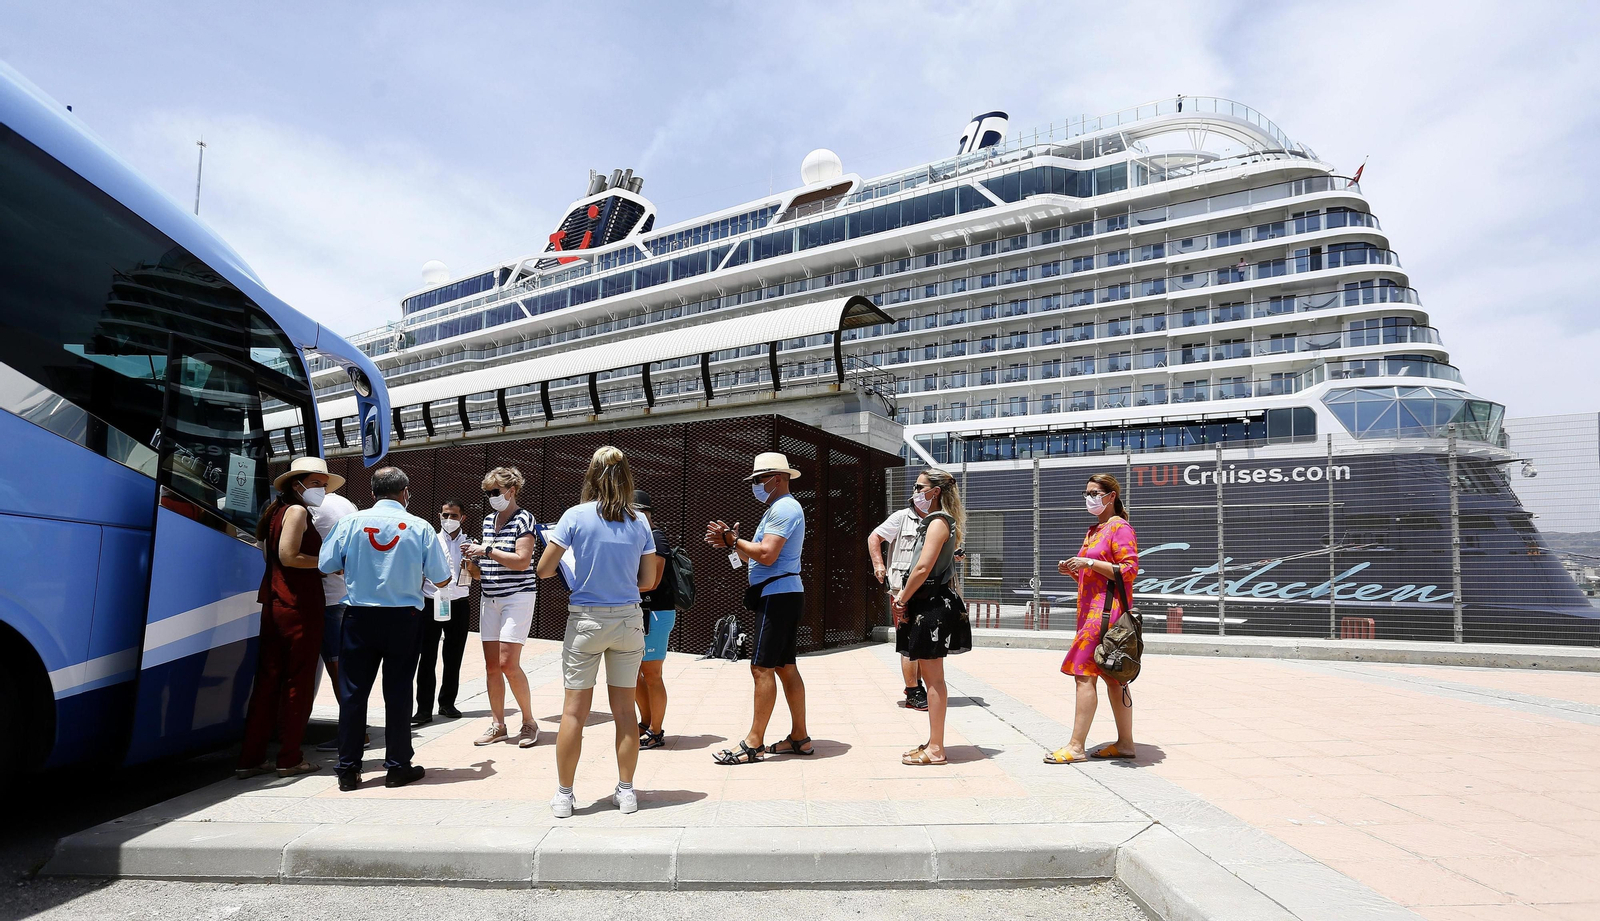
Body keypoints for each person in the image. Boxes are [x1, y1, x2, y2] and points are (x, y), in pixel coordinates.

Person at [535, 446, 656, 817]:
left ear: (591, 475)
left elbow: (544, 570)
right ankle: (626, 791)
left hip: (586, 619)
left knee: (574, 712)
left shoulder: (575, 516)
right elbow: (648, 580)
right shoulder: (640, 521)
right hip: (628, 620)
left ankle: (564, 795)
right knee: (624, 711)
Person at [318, 467, 452, 791]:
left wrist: (353, 570)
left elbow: (325, 565)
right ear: (405, 493)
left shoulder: (350, 523)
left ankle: (348, 770)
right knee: (399, 692)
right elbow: (442, 578)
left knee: (353, 693)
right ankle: (397, 767)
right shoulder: (420, 527)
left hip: (359, 617)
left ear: (373, 492)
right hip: (403, 618)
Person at [706, 452, 811, 765]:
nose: (755, 485)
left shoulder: (784, 508)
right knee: (785, 666)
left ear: (777, 478)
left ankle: (754, 743)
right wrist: (733, 542)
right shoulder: (779, 508)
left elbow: (766, 554)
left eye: (758, 479)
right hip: (782, 594)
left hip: (778, 596)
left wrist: (733, 541)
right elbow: (757, 554)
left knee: (761, 667)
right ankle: (799, 737)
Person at [236, 457, 333, 779]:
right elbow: (289, 556)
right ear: (297, 484)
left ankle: (251, 757)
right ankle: (290, 758)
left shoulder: (276, 511)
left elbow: (271, 555)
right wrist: (327, 562)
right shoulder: (297, 512)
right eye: (316, 484)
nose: (321, 490)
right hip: (299, 606)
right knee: (298, 683)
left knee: (267, 683)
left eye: (323, 485)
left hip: (275, 603)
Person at [1044, 473, 1139, 765]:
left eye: (1095, 493)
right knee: (1113, 677)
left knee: (1084, 674)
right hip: (1091, 612)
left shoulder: (1120, 528)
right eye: (1087, 493)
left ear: (1111, 496)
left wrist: (1089, 561)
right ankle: (1125, 744)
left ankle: (1076, 746)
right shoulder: (1094, 530)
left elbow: (1128, 570)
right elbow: (1095, 577)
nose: (1089, 498)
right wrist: (1074, 571)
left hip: (1106, 615)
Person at [893, 469, 970, 766]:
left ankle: (936, 748)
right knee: (930, 675)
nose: (915, 492)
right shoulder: (936, 522)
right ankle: (933, 742)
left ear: (935, 491)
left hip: (932, 604)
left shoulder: (938, 522)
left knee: (934, 679)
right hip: (927, 603)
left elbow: (923, 568)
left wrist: (902, 597)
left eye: (919, 487)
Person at [461, 467, 540, 749]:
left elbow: (522, 560)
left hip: (517, 597)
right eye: (487, 493)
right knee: (492, 666)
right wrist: (472, 562)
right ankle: (498, 725)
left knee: (508, 663)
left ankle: (529, 721)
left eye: (495, 491)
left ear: (511, 490)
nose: (491, 497)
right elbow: (482, 570)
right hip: (489, 596)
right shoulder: (487, 521)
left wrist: (486, 550)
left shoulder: (524, 519)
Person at [307, 468, 360, 754]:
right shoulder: (345, 503)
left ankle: (353, 732)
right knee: (346, 666)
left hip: (327, 597)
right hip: (348, 594)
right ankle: (355, 729)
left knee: (336, 666)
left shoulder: (310, 508)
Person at [868, 494, 929, 712]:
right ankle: (912, 691)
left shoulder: (939, 518)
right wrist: (878, 564)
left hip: (930, 589)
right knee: (910, 641)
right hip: (902, 589)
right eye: (919, 488)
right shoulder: (901, 517)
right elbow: (874, 537)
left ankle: (918, 685)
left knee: (924, 641)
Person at [413, 499, 471, 725]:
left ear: (462, 518)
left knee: (454, 656)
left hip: (459, 603)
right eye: (445, 515)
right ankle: (423, 709)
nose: (448, 519)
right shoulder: (431, 541)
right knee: (427, 657)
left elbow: (476, 575)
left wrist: (472, 560)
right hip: (431, 601)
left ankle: (447, 703)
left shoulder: (470, 543)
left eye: (453, 515)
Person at [632, 489, 671, 750]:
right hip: (639, 611)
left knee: (652, 673)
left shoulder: (657, 537)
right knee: (634, 672)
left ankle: (657, 731)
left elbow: (652, 582)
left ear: (646, 513)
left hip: (656, 612)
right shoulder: (640, 537)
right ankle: (645, 723)